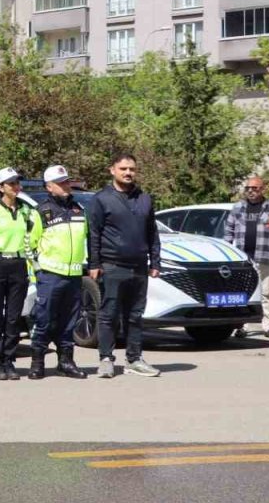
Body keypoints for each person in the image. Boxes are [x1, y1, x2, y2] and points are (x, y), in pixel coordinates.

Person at [86, 153, 161, 379]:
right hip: (112, 266)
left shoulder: (145, 198)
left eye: (132, 169)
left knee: (135, 315)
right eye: (123, 169)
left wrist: (155, 261)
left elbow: (152, 232)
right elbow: (94, 234)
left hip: (139, 267)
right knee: (108, 314)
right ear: (112, 170)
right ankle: (106, 359)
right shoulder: (101, 199)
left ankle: (134, 358)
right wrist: (95, 263)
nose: (128, 173)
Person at [27, 165, 89, 380]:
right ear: (49, 187)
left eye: (66, 181)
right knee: (44, 320)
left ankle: (66, 361)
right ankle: (37, 362)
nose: (65, 185)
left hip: (73, 275)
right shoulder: (40, 211)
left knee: (69, 321)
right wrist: (38, 272)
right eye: (60, 182)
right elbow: (29, 245)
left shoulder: (79, 209)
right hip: (50, 275)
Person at [0, 167, 36, 380]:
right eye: (11, 183)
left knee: (13, 317)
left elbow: (32, 237)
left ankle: (9, 359)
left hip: (18, 263)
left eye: (17, 183)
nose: (16, 187)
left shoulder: (24, 210)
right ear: (1, 187)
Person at [224, 175, 269, 336]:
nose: (250, 191)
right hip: (243, 258)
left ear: (262, 189)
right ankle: (242, 326)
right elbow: (228, 231)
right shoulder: (238, 207)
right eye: (248, 188)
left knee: (267, 292)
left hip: (266, 256)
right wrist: (226, 252)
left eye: (254, 188)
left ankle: (268, 326)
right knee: (242, 293)